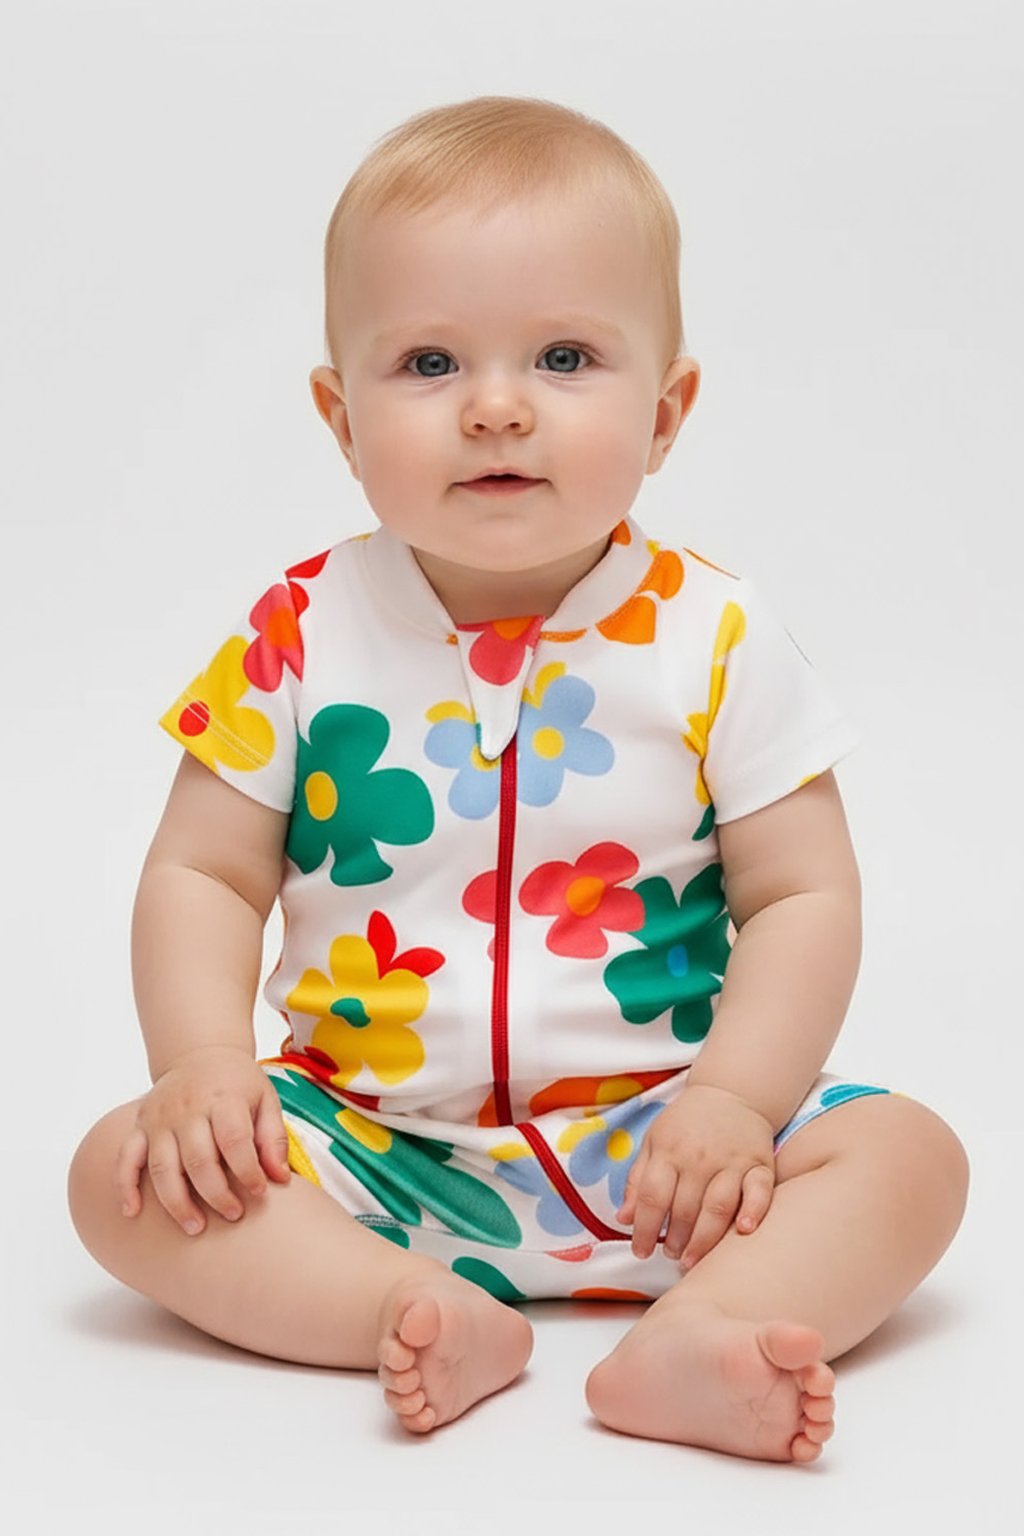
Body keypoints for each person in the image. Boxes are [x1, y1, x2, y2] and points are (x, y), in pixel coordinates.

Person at [66, 95, 969, 1465]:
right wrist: (199, 1068)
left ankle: (704, 1331)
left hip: (669, 1149)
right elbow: (203, 870)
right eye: (429, 362)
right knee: (121, 1171)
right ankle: (398, 1307)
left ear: (665, 413)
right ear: (340, 417)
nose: (495, 407)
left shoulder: (716, 637)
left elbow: (803, 895)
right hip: (366, 1146)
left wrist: (735, 1102)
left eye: (564, 357)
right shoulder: (298, 632)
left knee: (910, 1158)